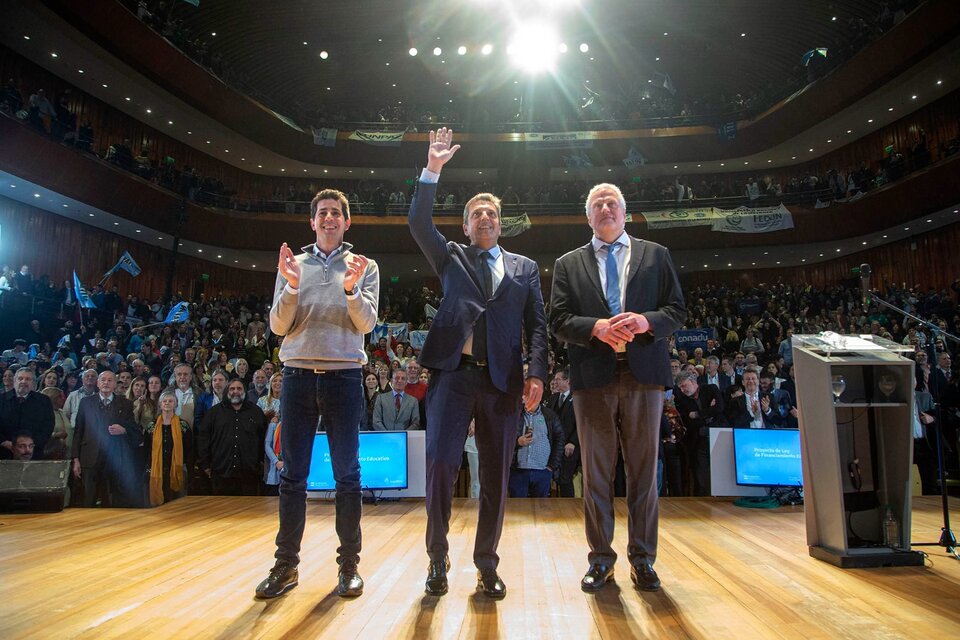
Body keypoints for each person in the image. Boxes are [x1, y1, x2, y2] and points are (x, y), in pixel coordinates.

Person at [409, 128, 547, 599]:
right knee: (441, 466)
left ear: (500, 225)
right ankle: (437, 556)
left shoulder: (525, 268)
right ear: (466, 228)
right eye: (475, 214)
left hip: (502, 383)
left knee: (495, 475)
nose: (484, 218)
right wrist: (433, 169)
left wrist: (537, 373)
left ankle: (487, 562)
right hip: (453, 376)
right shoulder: (451, 257)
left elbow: (538, 326)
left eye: (491, 213)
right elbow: (419, 222)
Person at [549, 181, 685, 593]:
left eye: (612, 203)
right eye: (598, 204)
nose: (605, 208)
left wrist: (646, 322)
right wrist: (595, 327)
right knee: (596, 474)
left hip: (644, 375)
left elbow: (676, 311)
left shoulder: (656, 254)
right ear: (588, 217)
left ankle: (643, 560)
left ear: (624, 213)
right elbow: (558, 321)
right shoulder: (568, 263)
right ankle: (601, 560)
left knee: (644, 473)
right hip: (593, 377)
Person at [256, 187, 379, 601]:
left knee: (348, 475)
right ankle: (286, 565)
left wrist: (351, 290)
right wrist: (291, 286)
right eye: (322, 212)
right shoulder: (293, 264)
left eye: (336, 213)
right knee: (293, 476)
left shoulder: (365, 266)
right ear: (312, 221)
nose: (329, 218)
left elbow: (366, 324)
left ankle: (349, 566)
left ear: (347, 221)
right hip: (297, 376)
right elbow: (277, 325)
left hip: (344, 377)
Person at [71, 371, 142, 507]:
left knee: (113, 499)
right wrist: (76, 459)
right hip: (89, 457)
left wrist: (124, 430)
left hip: (116, 458)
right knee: (88, 498)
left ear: (115, 384)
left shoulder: (125, 404)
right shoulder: (85, 402)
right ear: (98, 383)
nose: (106, 383)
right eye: (103, 380)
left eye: (110, 380)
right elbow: (78, 431)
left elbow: (135, 430)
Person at [197, 379, 266, 496]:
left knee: (249, 507)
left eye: (239, 389)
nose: (235, 392)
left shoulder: (256, 412)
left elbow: (262, 438)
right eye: (232, 389)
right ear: (227, 391)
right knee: (221, 507)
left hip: (249, 473)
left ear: (245, 391)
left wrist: (261, 462)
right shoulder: (213, 413)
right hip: (221, 472)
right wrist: (205, 464)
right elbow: (204, 439)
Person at [145, 389, 190, 506]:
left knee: (177, 502)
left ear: (175, 405)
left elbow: (189, 448)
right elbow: (146, 448)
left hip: (177, 467)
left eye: (170, 401)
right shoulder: (151, 426)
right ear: (160, 405)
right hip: (156, 467)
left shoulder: (183, 426)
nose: (167, 403)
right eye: (164, 401)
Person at [508, 404, 564, 498]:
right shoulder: (514, 414)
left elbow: (560, 439)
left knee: (540, 506)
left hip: (543, 471)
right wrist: (517, 442)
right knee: (518, 505)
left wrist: (552, 466)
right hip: (518, 471)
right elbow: (503, 438)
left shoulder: (550, 415)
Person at [0, 368, 55, 460]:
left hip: (34, 453)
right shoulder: (1, 400)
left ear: (33, 383)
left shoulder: (44, 401)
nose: (23, 381)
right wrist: (4, 442)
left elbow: (48, 425)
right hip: (4, 452)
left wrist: (30, 446)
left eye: (28, 379)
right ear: (14, 381)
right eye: (20, 378)